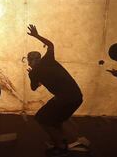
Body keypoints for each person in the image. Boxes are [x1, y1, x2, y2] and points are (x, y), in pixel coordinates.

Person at [26, 24, 83, 157]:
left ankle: (60, 148)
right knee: (55, 120)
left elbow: (33, 88)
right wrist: (36, 35)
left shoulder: (34, 72)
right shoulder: (48, 60)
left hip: (64, 99)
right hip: (76, 96)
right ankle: (61, 142)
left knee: (41, 118)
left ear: (29, 61)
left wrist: (32, 76)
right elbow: (50, 44)